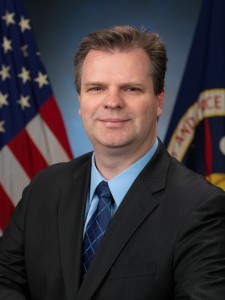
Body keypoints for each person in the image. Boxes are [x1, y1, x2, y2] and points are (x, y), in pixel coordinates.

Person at [0, 25, 225, 300]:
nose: (112, 102)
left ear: (158, 101)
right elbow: (5, 282)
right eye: (96, 88)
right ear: (81, 101)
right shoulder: (44, 188)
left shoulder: (202, 208)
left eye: (131, 88)